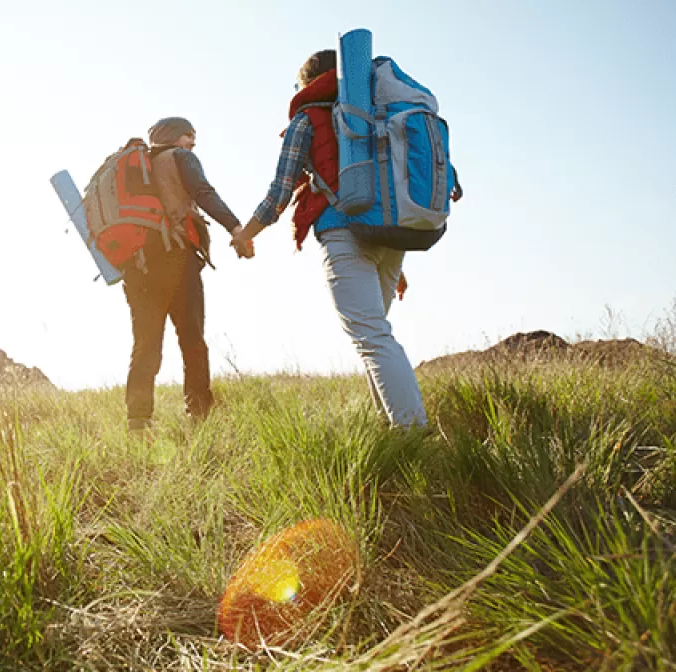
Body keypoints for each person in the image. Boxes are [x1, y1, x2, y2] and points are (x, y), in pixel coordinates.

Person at [229, 50, 462, 428]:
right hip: (391, 238)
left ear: (308, 84)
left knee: (372, 337)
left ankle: (413, 433)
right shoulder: (375, 117)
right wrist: (394, 262)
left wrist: (245, 234)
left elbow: (279, 193)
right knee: (375, 338)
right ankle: (389, 427)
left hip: (345, 234)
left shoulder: (308, 119)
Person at [123, 117, 244, 432]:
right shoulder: (180, 158)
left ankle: (138, 422)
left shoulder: (137, 167)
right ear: (175, 137)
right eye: (190, 135)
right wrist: (235, 227)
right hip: (176, 258)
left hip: (136, 265)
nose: (193, 142)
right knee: (192, 339)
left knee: (146, 343)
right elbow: (203, 192)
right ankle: (199, 416)